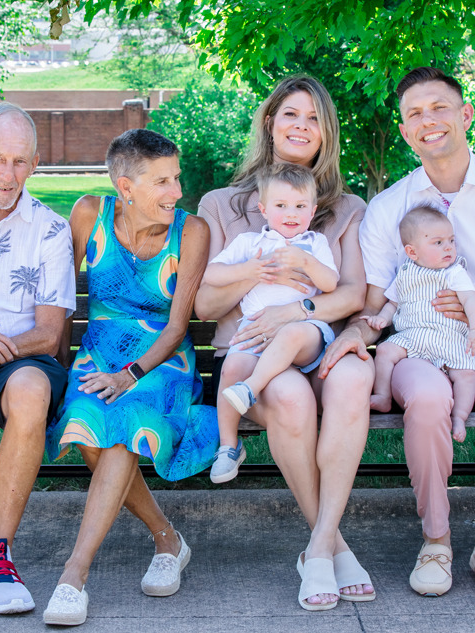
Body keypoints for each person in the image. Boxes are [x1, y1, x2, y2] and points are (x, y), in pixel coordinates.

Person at [195, 75, 375, 611]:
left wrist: (293, 309)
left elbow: (353, 294)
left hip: (319, 341)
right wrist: (261, 270)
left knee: (355, 377)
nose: (302, 126)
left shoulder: (344, 209)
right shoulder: (224, 205)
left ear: (327, 134)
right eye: (291, 115)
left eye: (314, 118)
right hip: (249, 353)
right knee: (292, 398)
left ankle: (319, 545)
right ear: (270, 122)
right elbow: (204, 306)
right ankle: (331, 547)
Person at [44, 129, 219, 626]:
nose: (176, 192)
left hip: (163, 362)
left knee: (122, 429)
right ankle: (167, 537)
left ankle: (72, 576)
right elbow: (59, 296)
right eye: (162, 181)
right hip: (95, 354)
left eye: (177, 178)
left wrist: (130, 374)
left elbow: (179, 324)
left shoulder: (192, 231)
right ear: (126, 186)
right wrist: (57, 367)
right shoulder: (87, 213)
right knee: (83, 425)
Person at [321, 66, 475, 597]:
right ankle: (437, 539)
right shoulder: (390, 208)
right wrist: (355, 334)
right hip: (418, 344)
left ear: (465, 114)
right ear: (406, 131)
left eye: (439, 107)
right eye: (414, 114)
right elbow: (373, 302)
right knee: (429, 399)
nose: (428, 120)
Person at [0, 103, 75, 613]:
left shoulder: (49, 229)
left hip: (20, 360)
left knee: (31, 392)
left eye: (21, 161)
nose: (8, 174)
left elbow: (49, 334)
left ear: (36, 163)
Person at [205, 164, 338, 483]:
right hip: (256, 330)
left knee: (292, 333)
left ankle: (251, 388)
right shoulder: (250, 244)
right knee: (232, 368)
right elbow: (211, 274)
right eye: (281, 206)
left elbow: (331, 282)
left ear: (313, 210)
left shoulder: (314, 244)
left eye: (300, 206)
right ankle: (228, 446)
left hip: (304, 333)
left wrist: (306, 261)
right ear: (264, 209)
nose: (291, 213)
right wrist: (250, 270)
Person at [361, 206, 475, 442]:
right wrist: (382, 318)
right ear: (412, 252)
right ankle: (383, 396)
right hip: (413, 337)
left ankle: (460, 416)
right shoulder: (404, 273)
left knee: (466, 375)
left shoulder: (455, 272)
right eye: (438, 242)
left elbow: (469, 300)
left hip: (449, 337)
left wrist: (473, 328)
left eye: (451, 241)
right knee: (384, 350)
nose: (448, 247)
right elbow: (392, 303)